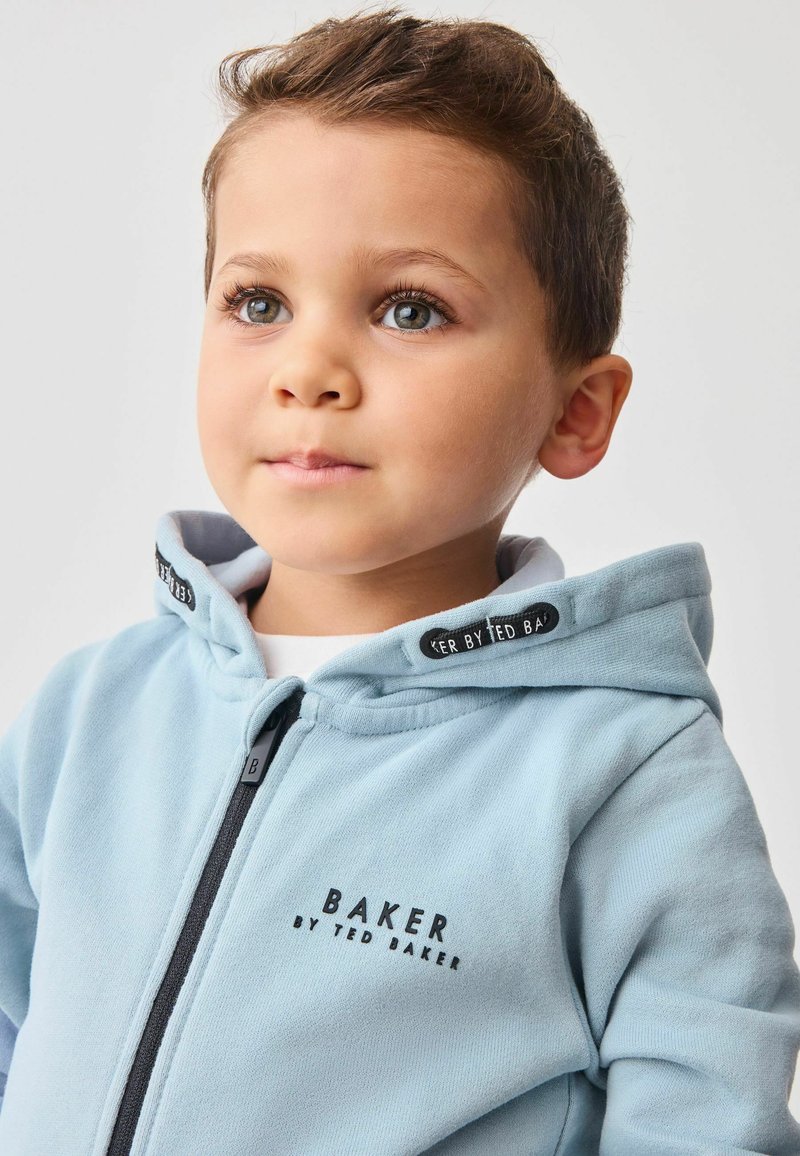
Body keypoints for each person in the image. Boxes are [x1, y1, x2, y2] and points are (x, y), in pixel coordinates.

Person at [1, 6, 798, 1153]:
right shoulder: (89, 714)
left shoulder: (621, 769)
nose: (308, 370)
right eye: (258, 303)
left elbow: (702, 1119)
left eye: (407, 308)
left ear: (575, 412)